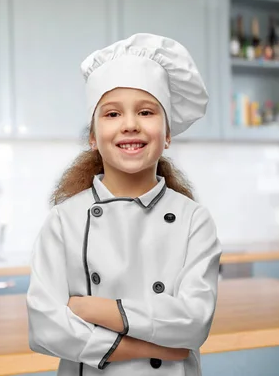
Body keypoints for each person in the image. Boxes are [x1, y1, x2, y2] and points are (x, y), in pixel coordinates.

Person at [26, 33, 222, 376]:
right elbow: (45, 326)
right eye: (112, 114)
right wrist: (147, 346)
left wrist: (95, 310)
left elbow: (195, 322)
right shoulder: (63, 221)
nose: (130, 124)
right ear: (92, 136)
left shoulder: (195, 220)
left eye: (146, 112)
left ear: (168, 133)